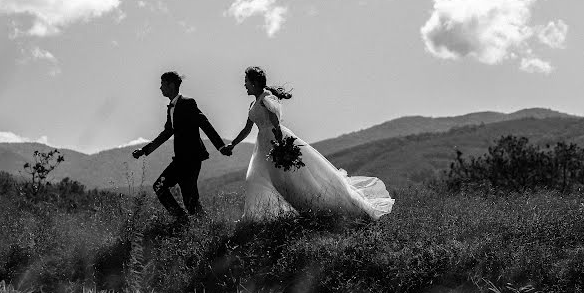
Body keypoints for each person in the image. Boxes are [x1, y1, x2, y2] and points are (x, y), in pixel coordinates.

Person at [221, 66, 394, 221]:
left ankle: (321, 209)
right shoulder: (253, 104)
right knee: (262, 179)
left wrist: (280, 142)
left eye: (246, 81)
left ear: (254, 83)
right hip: (263, 146)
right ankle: (271, 214)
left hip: (275, 141)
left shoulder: (266, 98)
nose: (244, 85)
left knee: (293, 179)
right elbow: (246, 129)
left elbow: (275, 121)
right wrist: (233, 144)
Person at [133, 71, 228, 221]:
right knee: (165, 189)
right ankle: (185, 221)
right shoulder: (170, 108)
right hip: (180, 160)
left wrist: (221, 147)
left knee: (188, 200)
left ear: (171, 85)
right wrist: (144, 150)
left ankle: (189, 223)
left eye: (162, 84)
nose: (160, 88)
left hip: (191, 159)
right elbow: (166, 133)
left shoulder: (188, 103)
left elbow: (204, 123)